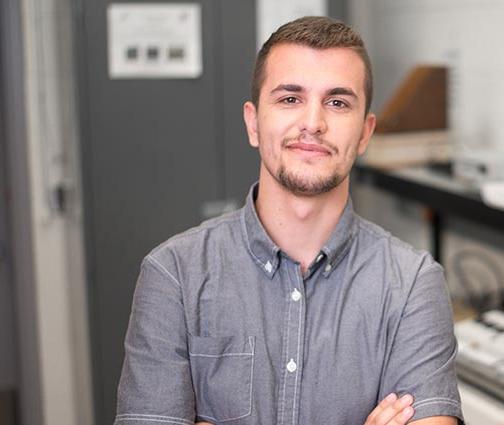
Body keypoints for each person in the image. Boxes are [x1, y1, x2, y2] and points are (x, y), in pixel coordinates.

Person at [114, 16, 462, 425]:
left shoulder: (412, 285)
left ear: (365, 132)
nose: (313, 123)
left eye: (337, 102)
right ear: (252, 123)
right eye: (289, 99)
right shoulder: (174, 274)